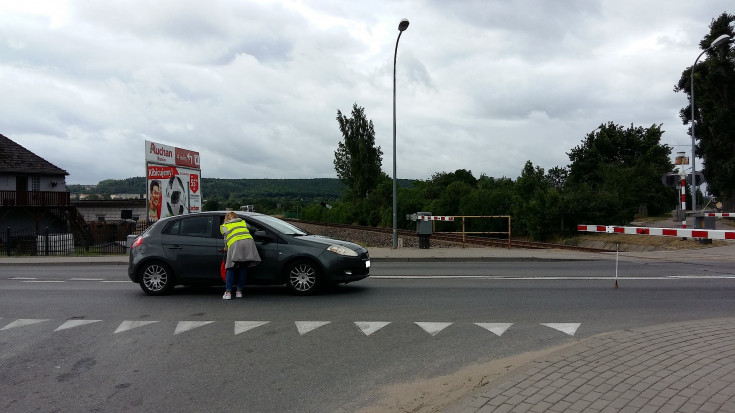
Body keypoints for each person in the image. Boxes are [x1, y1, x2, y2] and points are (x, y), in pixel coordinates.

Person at [220, 211, 261, 299]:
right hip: (249, 243)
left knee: (230, 267)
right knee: (243, 267)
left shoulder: (224, 226)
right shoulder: (243, 222)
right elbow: (253, 229)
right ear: (236, 217)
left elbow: (225, 238)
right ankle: (239, 291)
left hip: (235, 244)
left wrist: (226, 248)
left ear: (227, 218)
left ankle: (228, 293)